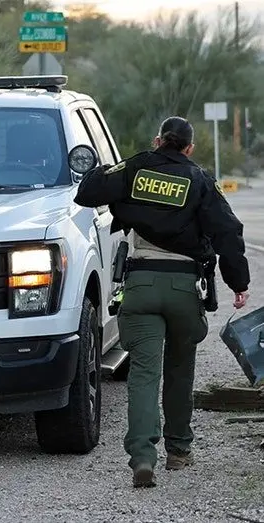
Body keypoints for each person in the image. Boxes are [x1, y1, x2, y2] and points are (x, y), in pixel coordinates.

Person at [73, 116, 250, 489]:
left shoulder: (136, 166)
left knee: (143, 373)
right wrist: (239, 283)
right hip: (184, 289)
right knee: (180, 370)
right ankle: (179, 451)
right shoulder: (199, 179)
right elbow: (228, 231)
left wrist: (105, 170)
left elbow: (87, 192)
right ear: (189, 148)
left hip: (140, 284)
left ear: (157, 141)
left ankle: (141, 456)